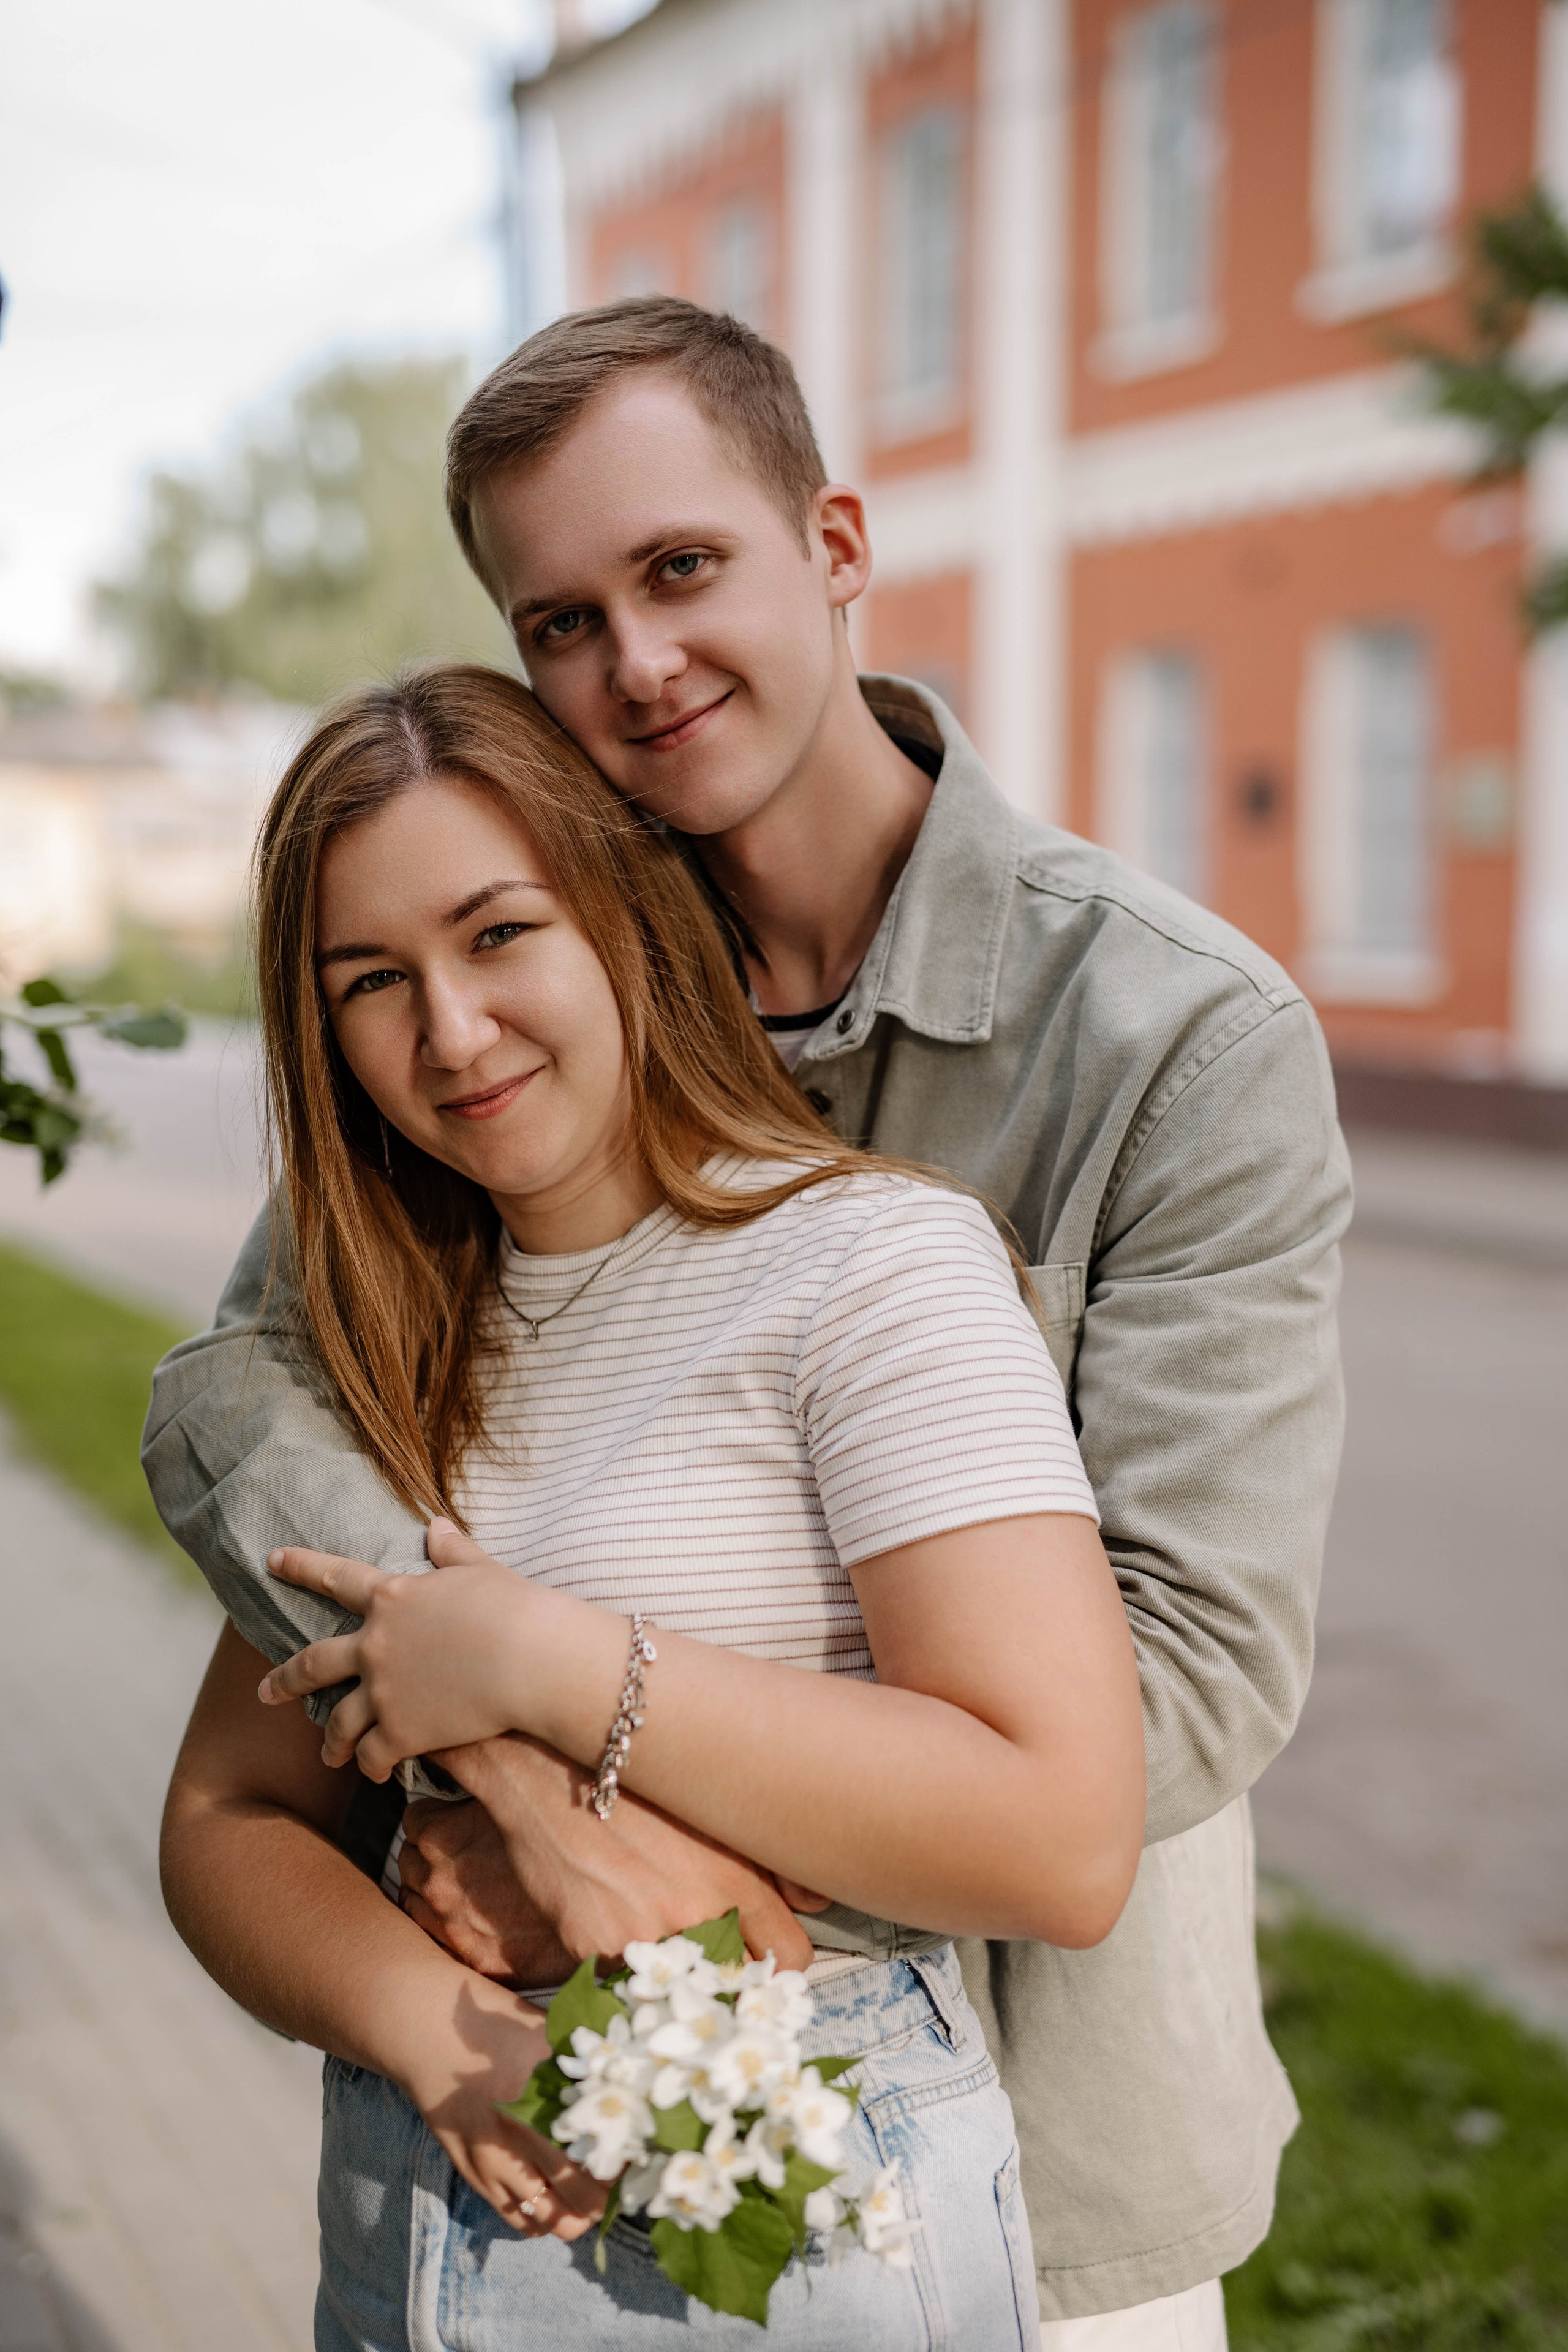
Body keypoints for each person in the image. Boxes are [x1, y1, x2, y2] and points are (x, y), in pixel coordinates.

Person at [145, 298, 1351, 2347]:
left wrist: (594, 1805)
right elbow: (269, 1376)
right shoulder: (530, 961)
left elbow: (1178, 1691)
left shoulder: (1168, 1036)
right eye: (560, 621)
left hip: (1049, 2159)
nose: (637, 661)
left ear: (839, 549)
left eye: (681, 568)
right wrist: (513, 1795)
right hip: (554, 2126)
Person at [160, 662, 1144, 2348]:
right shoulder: (384, 1339)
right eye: (371, 980)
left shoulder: (869, 1265)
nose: (451, 1033)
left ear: (620, 908)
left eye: (496, 934)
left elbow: (1061, 1837)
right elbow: (224, 1826)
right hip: (420, 2209)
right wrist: (438, 2026)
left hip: (797, 2219)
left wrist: (543, 1666)